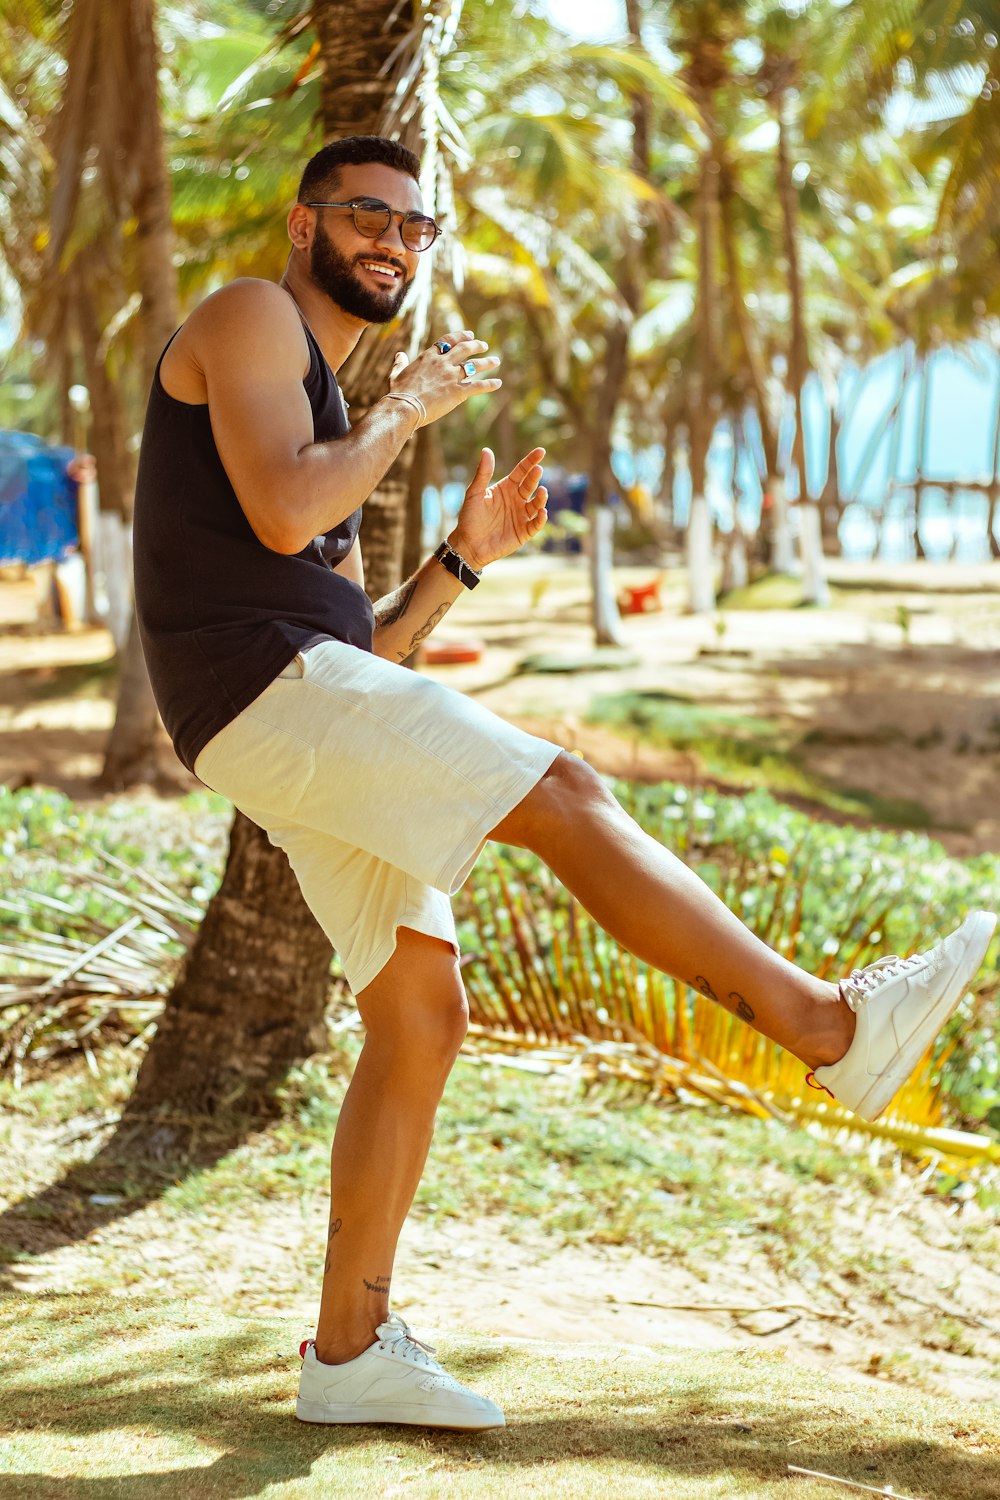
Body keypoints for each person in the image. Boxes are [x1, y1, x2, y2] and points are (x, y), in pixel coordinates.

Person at [132, 134, 995, 1433]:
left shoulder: (322, 406)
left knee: (419, 1013)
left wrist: (460, 565)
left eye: (418, 230)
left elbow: (363, 656)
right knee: (572, 794)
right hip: (262, 693)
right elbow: (282, 520)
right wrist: (403, 412)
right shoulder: (254, 318)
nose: (395, 241)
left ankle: (350, 1353)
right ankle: (831, 1030)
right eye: (369, 215)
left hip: (276, 703)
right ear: (306, 227)